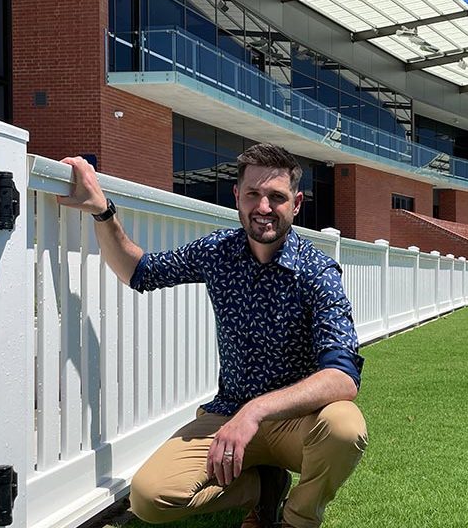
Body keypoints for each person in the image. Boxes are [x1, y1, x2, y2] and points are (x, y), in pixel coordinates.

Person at [57, 143, 367, 528]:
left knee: (344, 426)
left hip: (295, 423)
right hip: (227, 413)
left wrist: (255, 411)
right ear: (237, 196)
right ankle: (261, 488)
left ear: (297, 203)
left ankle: (297, 518)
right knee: (148, 498)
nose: (264, 207)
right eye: (253, 194)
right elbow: (139, 271)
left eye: (277, 197)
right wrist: (102, 211)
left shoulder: (317, 272)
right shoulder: (218, 252)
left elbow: (342, 375)